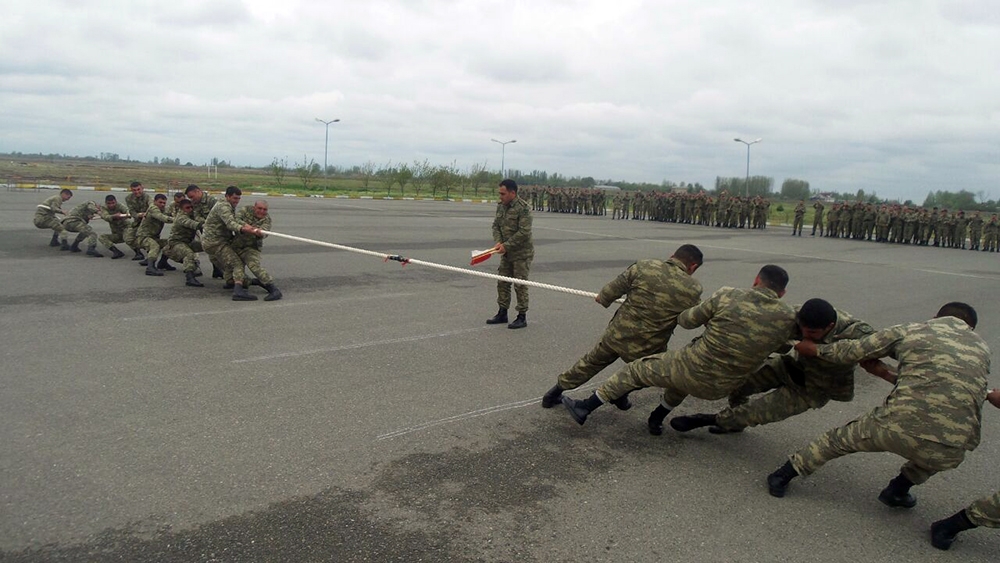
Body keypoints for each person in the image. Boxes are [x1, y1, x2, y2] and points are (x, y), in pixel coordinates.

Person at [766, 303, 991, 512]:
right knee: (935, 454)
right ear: (970, 327)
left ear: (935, 318)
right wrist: (884, 373)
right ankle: (898, 490)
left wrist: (816, 351)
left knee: (837, 441)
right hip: (952, 447)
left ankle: (782, 476)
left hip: (894, 424)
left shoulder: (912, 331)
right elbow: (936, 385)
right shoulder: (982, 349)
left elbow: (855, 350)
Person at [562, 265, 797, 435]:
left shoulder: (728, 296)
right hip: (723, 387)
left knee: (636, 370)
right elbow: (784, 347)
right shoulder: (788, 317)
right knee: (683, 378)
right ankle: (656, 418)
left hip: (692, 369)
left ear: (756, 280)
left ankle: (585, 407)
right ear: (782, 293)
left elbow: (687, 321)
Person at [670, 298, 873, 434]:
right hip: (789, 366)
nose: (805, 335)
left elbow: (870, 350)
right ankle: (735, 420)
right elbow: (765, 332)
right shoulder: (795, 315)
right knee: (740, 382)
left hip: (813, 388)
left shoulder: (855, 332)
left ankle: (714, 419)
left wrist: (818, 350)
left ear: (828, 327)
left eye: (812, 334)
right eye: (802, 330)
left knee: (756, 412)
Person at [541, 244, 705, 409]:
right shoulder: (693, 288)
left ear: (672, 255)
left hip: (616, 336)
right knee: (649, 373)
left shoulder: (642, 266)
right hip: (647, 346)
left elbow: (604, 296)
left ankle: (552, 394)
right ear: (693, 267)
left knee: (590, 363)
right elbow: (689, 322)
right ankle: (619, 393)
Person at [485, 179, 534, 329]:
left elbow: (524, 232)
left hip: (521, 253)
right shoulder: (501, 207)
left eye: (503, 193)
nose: (500, 196)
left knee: (520, 285)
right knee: (502, 282)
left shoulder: (524, 208)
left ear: (513, 193)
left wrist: (506, 245)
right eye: (500, 193)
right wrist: (499, 242)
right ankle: (502, 312)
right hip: (506, 252)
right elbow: (496, 226)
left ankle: (521, 316)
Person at [202, 186, 265, 301]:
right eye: (234, 198)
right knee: (237, 264)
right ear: (227, 196)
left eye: (238, 199)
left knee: (229, 264)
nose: (236, 201)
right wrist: (245, 229)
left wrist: (246, 225)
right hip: (215, 242)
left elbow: (235, 220)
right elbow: (230, 223)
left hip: (215, 241)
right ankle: (238, 291)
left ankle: (231, 282)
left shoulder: (227, 205)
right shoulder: (224, 206)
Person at [231, 200, 282, 301]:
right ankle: (239, 288)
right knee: (232, 272)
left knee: (254, 266)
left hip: (252, 247)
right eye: (259, 208)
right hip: (236, 245)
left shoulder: (267, 219)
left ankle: (273, 289)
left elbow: (265, 232)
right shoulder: (246, 210)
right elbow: (235, 219)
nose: (262, 211)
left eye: (265, 210)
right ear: (254, 207)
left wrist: (259, 232)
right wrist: (248, 227)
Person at [165, 198, 205, 287]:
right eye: (187, 208)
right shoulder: (181, 217)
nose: (190, 209)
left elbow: (200, 219)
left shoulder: (192, 214)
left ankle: (217, 270)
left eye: (191, 207)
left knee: (209, 246)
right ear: (181, 209)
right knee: (189, 254)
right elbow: (191, 224)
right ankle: (189, 277)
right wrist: (202, 225)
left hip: (188, 242)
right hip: (176, 242)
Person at [135, 194, 175, 276]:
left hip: (154, 237)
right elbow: (162, 217)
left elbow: (169, 213)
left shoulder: (162, 209)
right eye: (160, 202)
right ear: (154, 201)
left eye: (164, 203)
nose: (162, 204)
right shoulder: (153, 208)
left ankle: (163, 263)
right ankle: (150, 268)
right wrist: (178, 220)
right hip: (143, 237)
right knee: (154, 246)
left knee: (170, 243)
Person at [124, 181, 151, 261]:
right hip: (137, 221)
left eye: (138, 189)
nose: (136, 192)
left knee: (147, 239)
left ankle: (151, 257)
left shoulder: (148, 198)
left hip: (148, 222)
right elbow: (132, 211)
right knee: (128, 238)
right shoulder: (129, 198)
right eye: (134, 190)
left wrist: (146, 214)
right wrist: (138, 215)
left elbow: (152, 208)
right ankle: (138, 253)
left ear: (142, 188)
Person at [98, 195, 131, 259]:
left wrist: (125, 215)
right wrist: (114, 216)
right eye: (109, 203)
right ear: (106, 203)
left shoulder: (119, 206)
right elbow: (105, 217)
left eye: (113, 203)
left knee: (129, 237)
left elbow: (128, 212)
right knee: (102, 237)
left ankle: (138, 253)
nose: (111, 205)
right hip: (117, 233)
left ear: (116, 202)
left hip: (126, 229)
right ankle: (117, 252)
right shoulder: (104, 208)